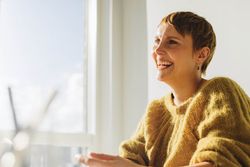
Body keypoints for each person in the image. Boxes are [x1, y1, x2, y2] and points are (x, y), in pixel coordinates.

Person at [77, 11, 250, 167]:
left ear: (201, 55)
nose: (157, 51)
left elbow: (220, 161)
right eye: (157, 41)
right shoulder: (156, 111)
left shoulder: (219, 91)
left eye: (172, 42)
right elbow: (130, 158)